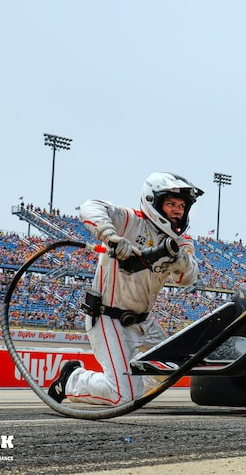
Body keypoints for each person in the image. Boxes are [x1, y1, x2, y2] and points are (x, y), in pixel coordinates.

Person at [47, 172, 204, 406]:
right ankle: (72, 379)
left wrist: (181, 261)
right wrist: (111, 237)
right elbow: (91, 206)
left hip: (144, 323)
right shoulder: (131, 220)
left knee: (171, 368)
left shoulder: (181, 242)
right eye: (171, 203)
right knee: (124, 397)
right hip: (109, 317)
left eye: (182, 205)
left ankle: (129, 385)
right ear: (153, 201)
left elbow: (187, 278)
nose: (178, 210)